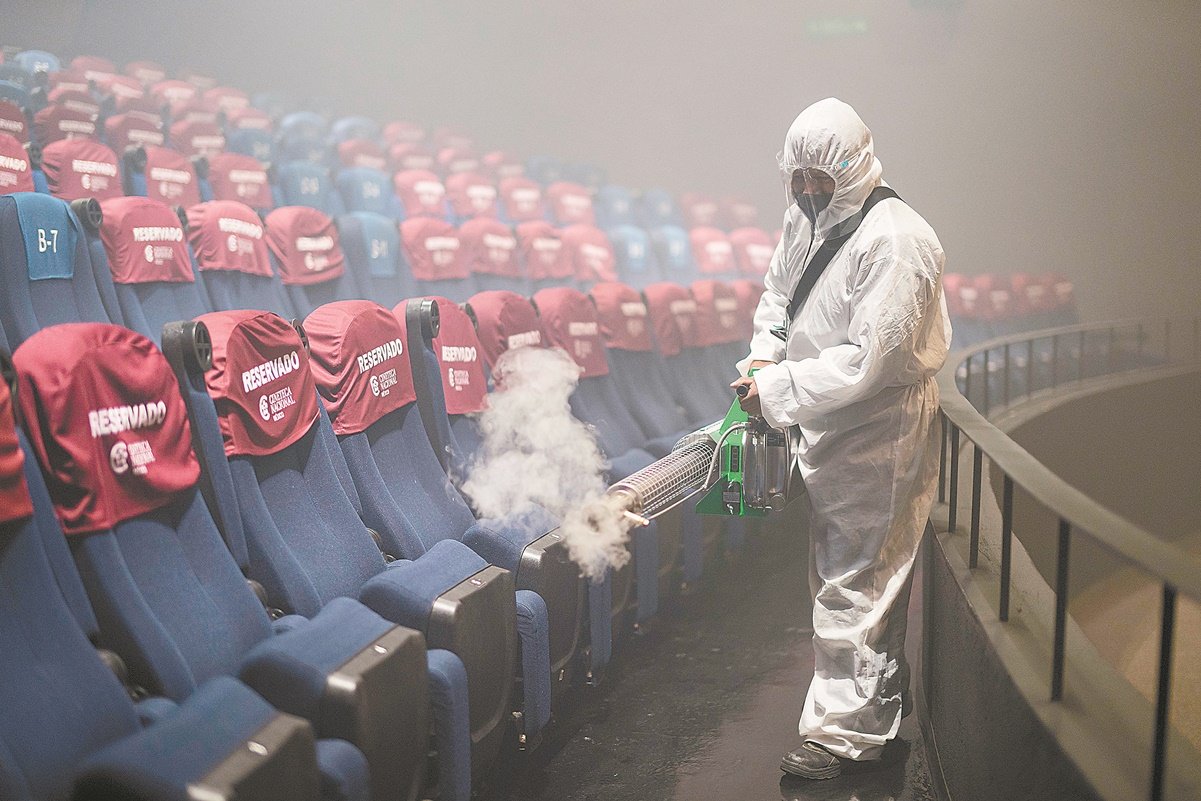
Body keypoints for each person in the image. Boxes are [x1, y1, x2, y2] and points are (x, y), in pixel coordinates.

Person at [731, 97, 951, 780]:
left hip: (876, 426)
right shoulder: (806, 221)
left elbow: (870, 362)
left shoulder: (895, 239)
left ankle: (843, 736)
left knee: (857, 584)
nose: (805, 190)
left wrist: (776, 391)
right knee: (846, 575)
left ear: (854, 166)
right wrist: (763, 362)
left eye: (818, 177)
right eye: (795, 177)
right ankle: (874, 706)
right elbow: (776, 298)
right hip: (827, 422)